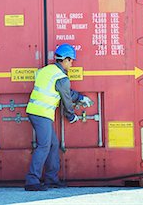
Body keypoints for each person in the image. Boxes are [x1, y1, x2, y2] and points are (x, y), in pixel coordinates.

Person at [24, 43, 94, 191]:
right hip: (41, 113)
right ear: (65, 59)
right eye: (71, 60)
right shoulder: (61, 77)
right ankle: (32, 181)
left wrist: (80, 97)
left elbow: (64, 91)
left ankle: (51, 179)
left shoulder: (47, 70)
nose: (72, 63)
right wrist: (71, 116)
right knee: (43, 146)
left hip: (37, 112)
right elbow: (66, 99)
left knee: (53, 144)